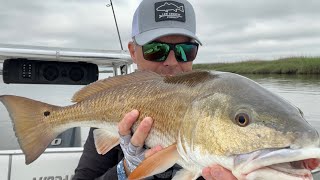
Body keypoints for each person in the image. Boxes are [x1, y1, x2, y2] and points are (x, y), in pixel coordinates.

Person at [73, 0, 236, 179]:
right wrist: (127, 170)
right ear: (133, 52)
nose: (172, 62)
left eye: (185, 50)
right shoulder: (113, 106)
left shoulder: (214, 108)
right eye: (156, 49)